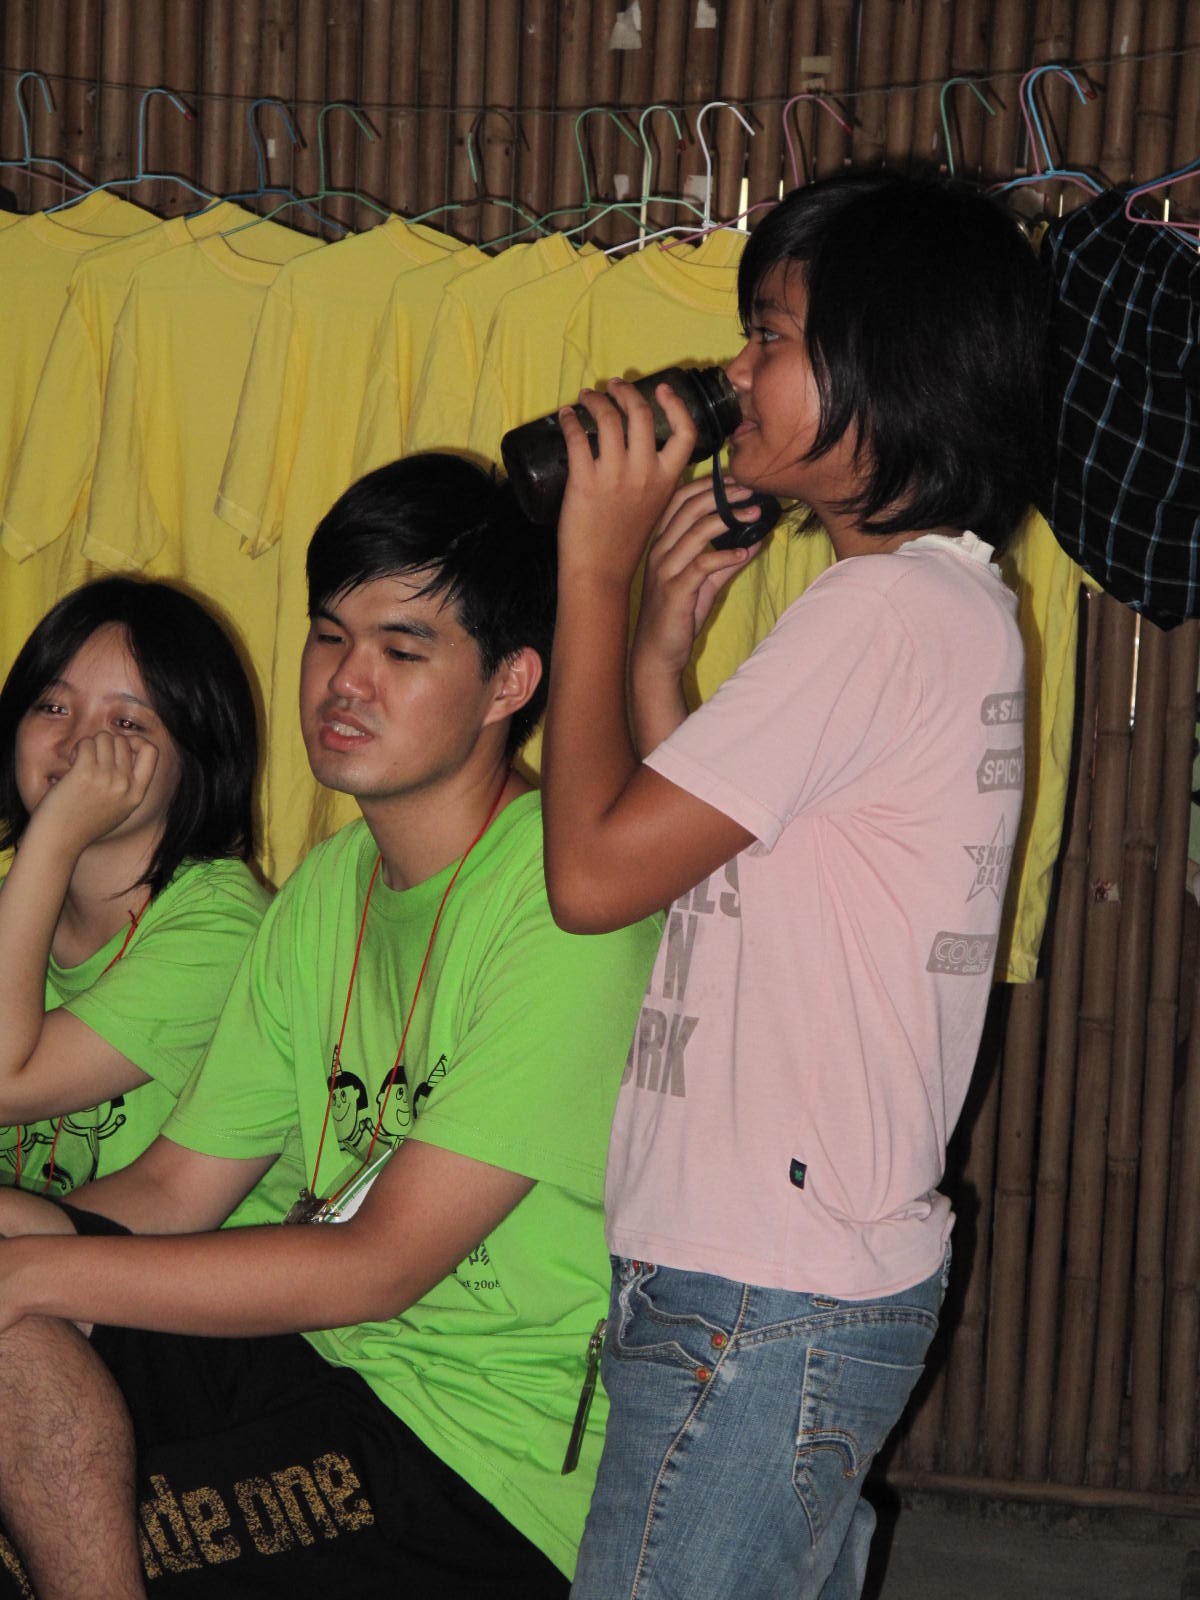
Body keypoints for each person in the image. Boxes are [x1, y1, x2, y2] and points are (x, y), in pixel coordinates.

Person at [0, 453, 660, 1600]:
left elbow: (380, 1265)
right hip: (320, 1362)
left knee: (49, 1520)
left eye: (402, 649)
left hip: (481, 1461)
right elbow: (173, 1191)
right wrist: (19, 1241)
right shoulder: (326, 888)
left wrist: (30, 1273)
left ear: (509, 682)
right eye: (327, 636)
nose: (346, 681)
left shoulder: (569, 907)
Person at [541, 172, 1044, 1599]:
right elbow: (714, 855)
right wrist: (656, 656)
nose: (737, 372)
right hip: (792, 1287)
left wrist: (591, 573)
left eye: (770, 335)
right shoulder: (940, 603)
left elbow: (591, 876)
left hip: (758, 1297)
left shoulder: (878, 614)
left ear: (893, 369)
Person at [0, 577, 269, 1196]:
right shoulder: (19, 902)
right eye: (53, 707)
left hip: (184, 1253)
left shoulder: (223, 927)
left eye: (125, 722)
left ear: (196, 758)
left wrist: (54, 837)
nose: (78, 743)